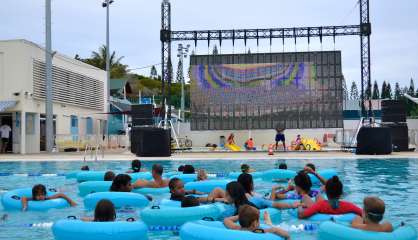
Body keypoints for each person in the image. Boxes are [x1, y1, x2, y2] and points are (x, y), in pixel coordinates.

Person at [297, 176, 362, 219]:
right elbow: (364, 214)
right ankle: (319, 192)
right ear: (341, 193)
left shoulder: (320, 205)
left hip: (320, 207)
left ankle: (320, 192)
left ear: (326, 192)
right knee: (318, 195)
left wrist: (299, 206)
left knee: (308, 196)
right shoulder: (349, 206)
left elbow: (301, 215)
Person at [224, 205, 290, 239]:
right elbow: (274, 230)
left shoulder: (236, 228)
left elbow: (226, 220)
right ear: (255, 223)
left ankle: (268, 222)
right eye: (258, 220)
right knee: (270, 225)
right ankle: (268, 222)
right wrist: (288, 236)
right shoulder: (257, 231)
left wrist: (241, 216)